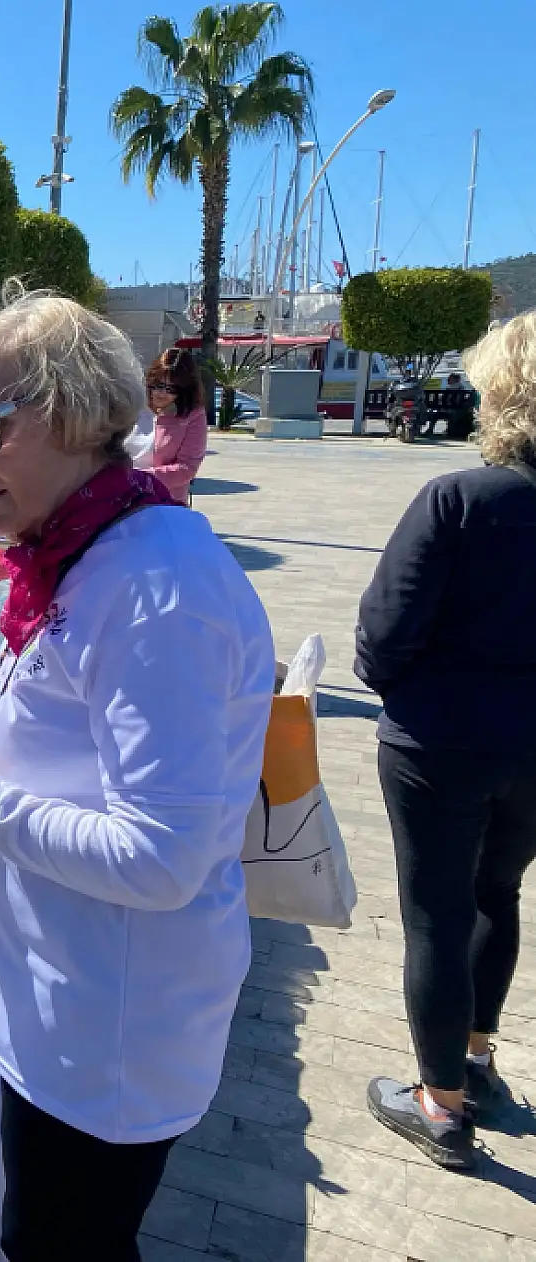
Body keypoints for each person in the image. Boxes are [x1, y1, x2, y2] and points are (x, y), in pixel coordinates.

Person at [0, 283, 273, 1261]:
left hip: (108, 1035)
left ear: (71, 408)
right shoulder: (84, 549)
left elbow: (160, 856)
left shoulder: (151, 585)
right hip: (64, 1004)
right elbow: (32, 713)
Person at [358, 311, 536, 1169]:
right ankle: (476, 1058)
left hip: (443, 738)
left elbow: (382, 638)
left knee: (437, 912)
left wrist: (415, 696)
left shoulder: (461, 499)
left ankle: (440, 1105)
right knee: (497, 894)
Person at [144, 347, 208, 505]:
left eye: (171, 389)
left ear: (184, 391)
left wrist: (141, 478)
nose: (161, 393)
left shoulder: (193, 415)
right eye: (157, 385)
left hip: (164, 502)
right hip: (118, 500)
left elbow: (187, 468)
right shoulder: (133, 407)